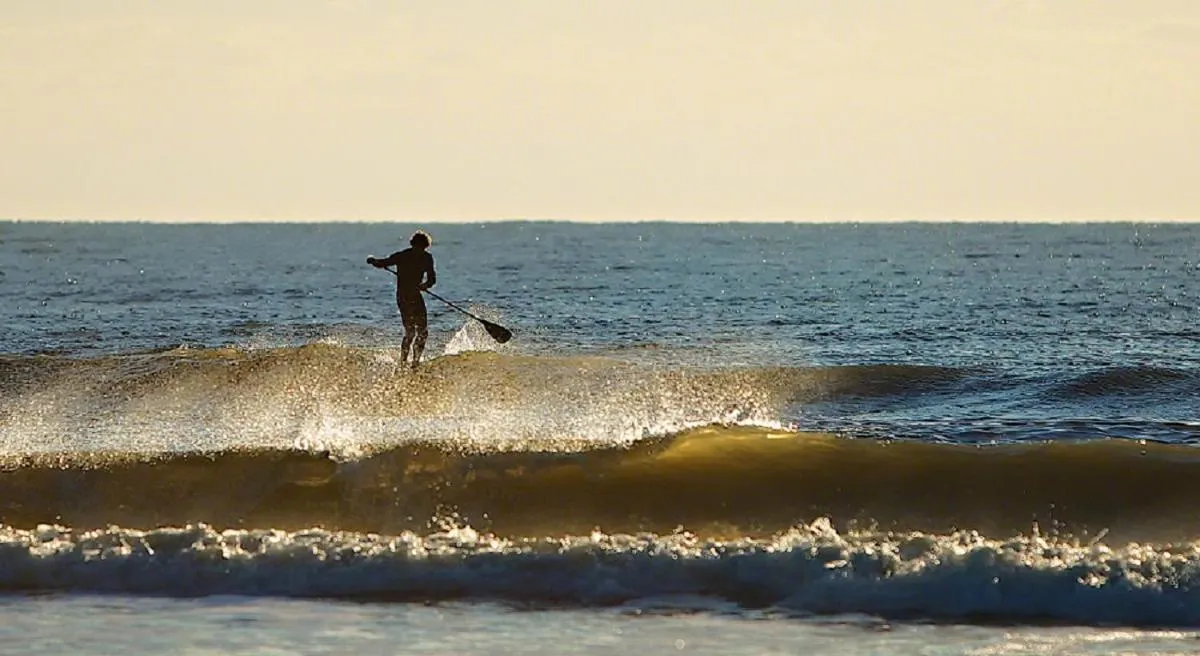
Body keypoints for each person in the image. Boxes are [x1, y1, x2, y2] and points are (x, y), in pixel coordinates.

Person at [367, 231, 437, 367]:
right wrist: (373, 261)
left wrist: (425, 285)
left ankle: (416, 362)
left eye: (422, 248)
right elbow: (384, 262)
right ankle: (403, 361)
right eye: (417, 247)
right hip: (403, 297)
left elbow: (432, 279)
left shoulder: (427, 258)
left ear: (425, 247)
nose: (419, 250)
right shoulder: (402, 256)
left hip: (416, 296)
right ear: (413, 245)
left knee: (423, 332)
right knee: (410, 332)